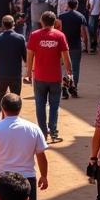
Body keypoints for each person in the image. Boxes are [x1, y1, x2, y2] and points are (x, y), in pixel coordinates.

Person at [25, 9, 72, 143]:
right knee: (54, 105)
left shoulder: (34, 35)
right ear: (54, 22)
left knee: (40, 105)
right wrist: (69, 73)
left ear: (41, 21)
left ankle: (42, 133)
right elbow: (66, 57)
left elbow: (30, 55)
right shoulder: (60, 36)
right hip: (55, 77)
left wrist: (28, 73)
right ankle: (54, 131)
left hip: (39, 76)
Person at [0, 15, 27, 125]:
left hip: (1, 74)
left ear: (3, 25)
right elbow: (25, 57)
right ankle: (14, 122)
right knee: (15, 100)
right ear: (13, 24)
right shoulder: (20, 38)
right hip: (15, 74)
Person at [59, 0, 89, 97]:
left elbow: (59, 31)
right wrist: (86, 44)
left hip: (63, 46)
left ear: (68, 5)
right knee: (75, 68)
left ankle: (64, 89)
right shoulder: (80, 16)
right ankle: (73, 88)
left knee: (64, 68)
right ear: (76, 5)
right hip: (76, 45)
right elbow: (83, 32)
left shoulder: (61, 16)